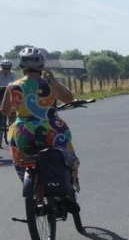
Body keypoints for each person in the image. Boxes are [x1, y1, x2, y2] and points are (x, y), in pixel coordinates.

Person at [1, 47, 80, 195]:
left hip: (23, 132)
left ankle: (34, 192)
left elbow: (5, 111)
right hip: (52, 129)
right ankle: (70, 186)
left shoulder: (13, 86)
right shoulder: (49, 84)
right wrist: (53, 80)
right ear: (42, 64)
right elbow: (69, 99)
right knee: (69, 157)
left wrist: (18, 109)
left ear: (21, 65)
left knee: (22, 162)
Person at [0, 58, 18, 140]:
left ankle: (12, 134)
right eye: (4, 68)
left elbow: (17, 84)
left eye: (8, 68)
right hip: (0, 95)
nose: (6, 70)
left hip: (10, 96)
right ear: (1, 67)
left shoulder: (13, 74)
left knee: (13, 117)